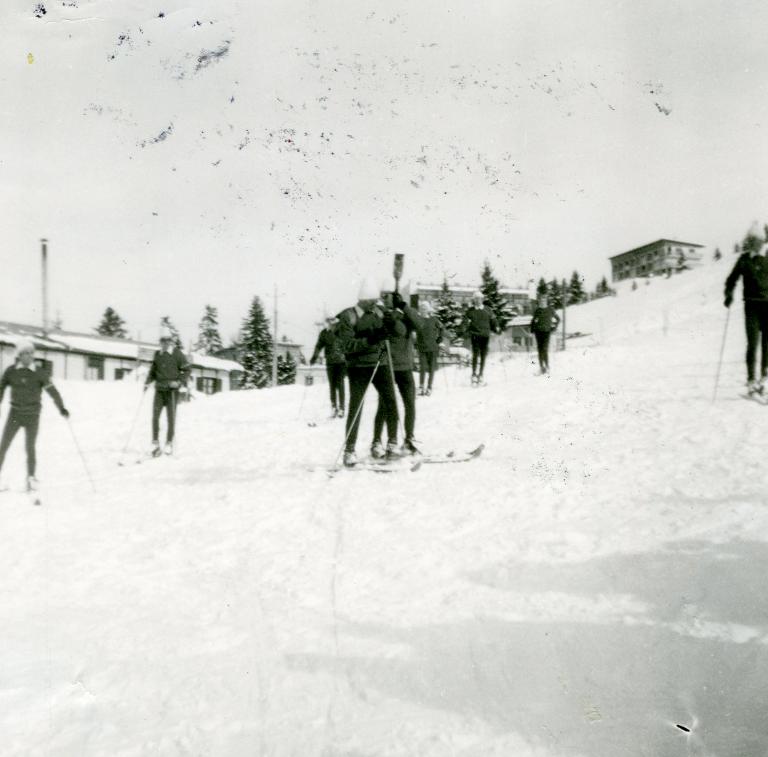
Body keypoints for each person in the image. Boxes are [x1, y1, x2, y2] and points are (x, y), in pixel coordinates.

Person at [335, 278, 399, 467]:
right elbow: (347, 345)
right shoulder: (349, 316)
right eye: (372, 300)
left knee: (390, 401)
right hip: (358, 367)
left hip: (381, 363)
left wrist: (392, 322)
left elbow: (394, 330)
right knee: (356, 407)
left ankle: (392, 443)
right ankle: (349, 451)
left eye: (376, 300)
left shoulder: (379, 312)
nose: (375, 303)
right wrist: (371, 340)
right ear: (363, 299)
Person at [0, 339, 69, 491]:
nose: (29, 356)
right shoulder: (11, 371)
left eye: (31, 353)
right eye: (26, 353)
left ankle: (31, 478)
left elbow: (52, 391)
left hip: (32, 415)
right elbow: (1, 387)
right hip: (15, 414)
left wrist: (61, 408)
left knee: (30, 447)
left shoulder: (39, 372)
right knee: (3, 445)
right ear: (19, 355)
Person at [371, 284, 421, 456]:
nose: (387, 298)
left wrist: (404, 306)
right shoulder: (378, 312)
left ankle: (409, 439)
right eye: (385, 295)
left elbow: (419, 324)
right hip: (387, 367)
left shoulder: (405, 315)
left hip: (405, 367)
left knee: (410, 403)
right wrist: (386, 315)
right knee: (384, 406)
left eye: (391, 295)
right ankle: (377, 442)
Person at [724, 240, 768, 395]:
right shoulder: (744, 259)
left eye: (759, 241)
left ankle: (764, 378)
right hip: (751, 306)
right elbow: (731, 279)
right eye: (752, 241)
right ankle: (751, 380)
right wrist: (729, 294)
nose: (757, 245)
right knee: (752, 343)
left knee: (766, 344)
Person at [144, 328, 190, 456]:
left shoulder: (177, 354)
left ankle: (169, 443)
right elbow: (153, 371)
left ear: (171, 341)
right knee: (155, 417)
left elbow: (187, 370)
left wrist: (179, 382)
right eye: (162, 340)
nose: (165, 343)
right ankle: (155, 443)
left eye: (167, 340)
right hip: (159, 390)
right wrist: (147, 382)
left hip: (172, 392)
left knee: (171, 418)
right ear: (160, 341)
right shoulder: (157, 354)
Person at [309, 315, 346, 418]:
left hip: (341, 362)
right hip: (330, 362)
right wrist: (314, 357)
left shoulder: (341, 331)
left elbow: (348, 344)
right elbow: (319, 346)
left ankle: (342, 408)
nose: (330, 323)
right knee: (332, 386)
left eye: (332, 320)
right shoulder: (324, 333)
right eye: (328, 321)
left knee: (340, 384)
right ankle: (334, 407)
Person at [464, 291, 498, 385]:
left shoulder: (488, 309)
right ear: (473, 300)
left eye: (479, 298)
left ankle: (481, 374)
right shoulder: (470, 311)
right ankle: (474, 375)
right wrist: (463, 330)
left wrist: (496, 328)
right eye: (476, 299)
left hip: (485, 335)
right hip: (475, 335)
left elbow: (493, 320)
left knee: (483, 356)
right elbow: (465, 322)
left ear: (482, 299)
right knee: (475, 354)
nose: (478, 300)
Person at [416, 300, 443, 396]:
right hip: (422, 347)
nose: (423, 310)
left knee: (431, 368)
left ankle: (429, 387)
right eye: (422, 308)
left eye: (425, 308)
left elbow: (441, 327)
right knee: (422, 368)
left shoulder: (434, 319)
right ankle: (421, 386)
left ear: (428, 309)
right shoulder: (418, 319)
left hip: (432, 347)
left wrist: (440, 338)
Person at [530, 294, 560, 374]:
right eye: (541, 301)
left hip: (546, 332)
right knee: (540, 351)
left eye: (544, 300)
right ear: (539, 302)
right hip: (538, 332)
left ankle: (547, 367)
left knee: (545, 349)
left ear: (546, 301)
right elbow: (533, 321)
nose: (542, 302)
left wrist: (554, 328)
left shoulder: (550, 309)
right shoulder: (537, 310)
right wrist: (532, 331)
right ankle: (541, 368)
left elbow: (558, 319)